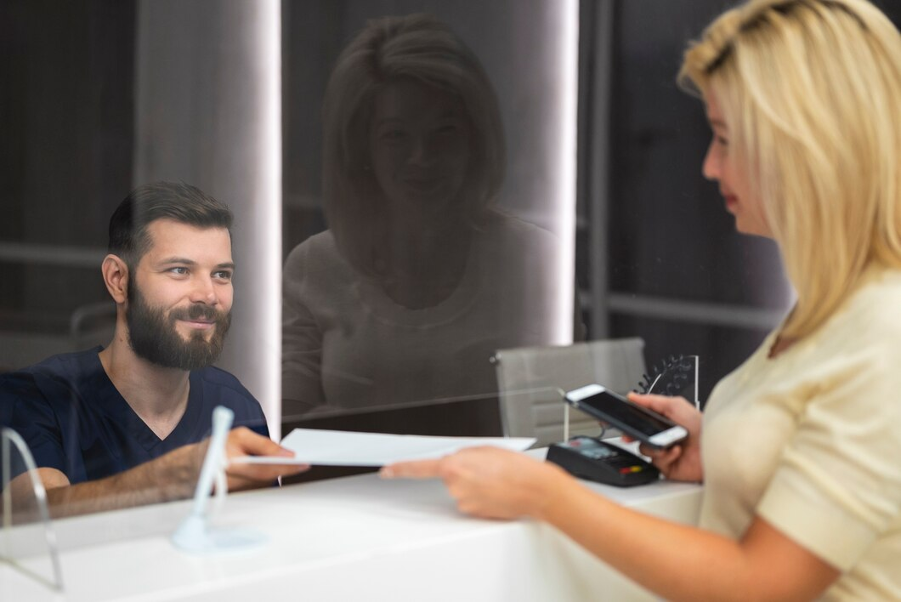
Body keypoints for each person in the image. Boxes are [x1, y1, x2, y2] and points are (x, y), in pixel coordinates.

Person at [383, 0, 901, 599]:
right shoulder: (831, 312)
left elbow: (760, 583)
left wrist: (545, 494)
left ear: (808, 147)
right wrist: (725, 444)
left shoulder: (883, 334)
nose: (709, 166)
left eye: (727, 140)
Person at [282, 14, 570, 418]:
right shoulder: (314, 265)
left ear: (475, 137)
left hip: (494, 483)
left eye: (444, 132)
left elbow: (572, 422)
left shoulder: (534, 259)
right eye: (397, 136)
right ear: (363, 149)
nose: (423, 158)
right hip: (349, 484)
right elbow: (281, 429)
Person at [1, 182, 306, 518]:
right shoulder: (38, 397)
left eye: (221, 274)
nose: (208, 295)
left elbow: (263, 531)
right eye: (180, 270)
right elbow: (30, 515)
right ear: (118, 279)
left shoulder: (236, 404)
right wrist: (170, 478)